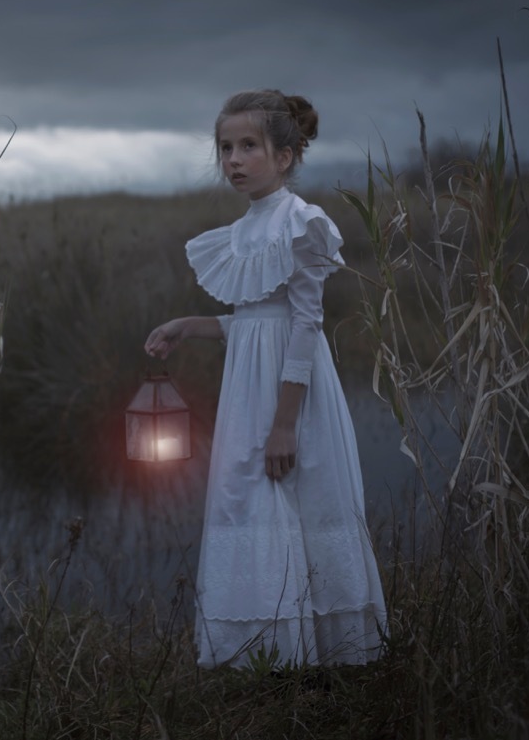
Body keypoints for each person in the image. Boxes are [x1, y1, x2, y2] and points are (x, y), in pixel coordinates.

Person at [145, 89, 387, 669]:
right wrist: (189, 325)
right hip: (247, 392)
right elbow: (251, 322)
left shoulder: (301, 223)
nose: (233, 159)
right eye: (225, 147)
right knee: (243, 501)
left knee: (298, 498)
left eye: (248, 146)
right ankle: (268, 652)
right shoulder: (243, 228)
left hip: (290, 396)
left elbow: (303, 324)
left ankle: (323, 656)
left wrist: (284, 425)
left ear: (285, 155)